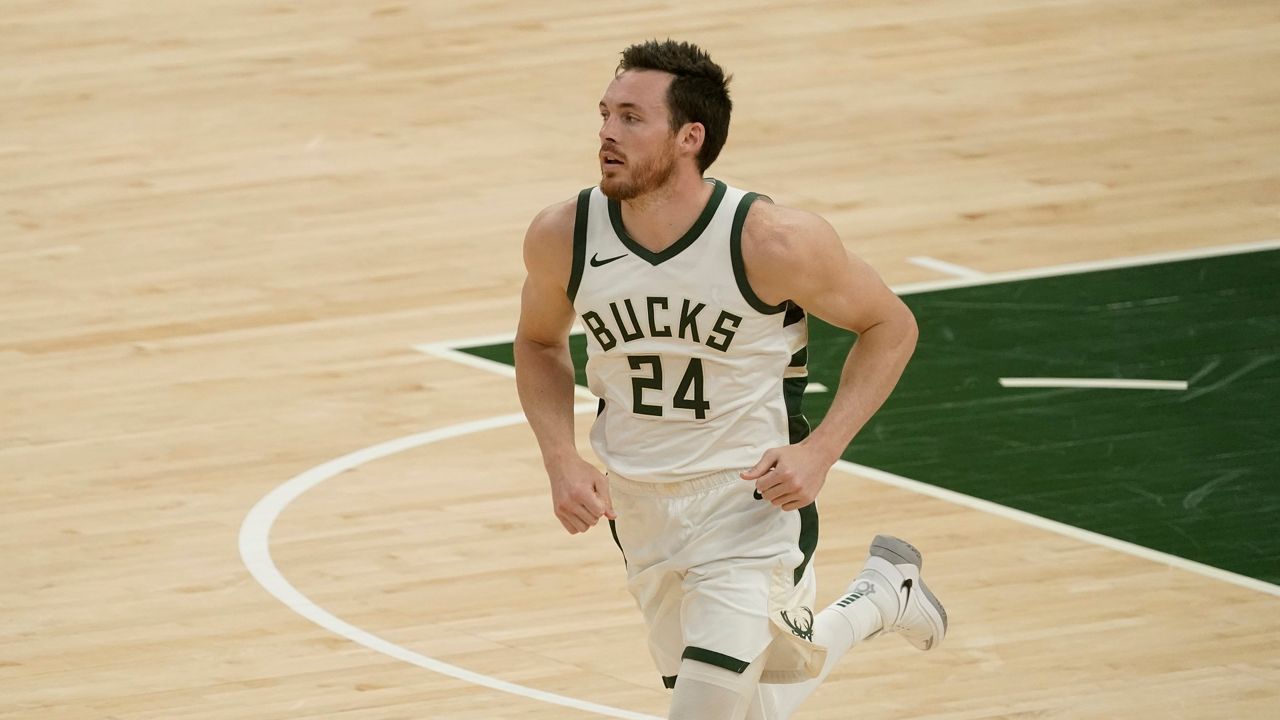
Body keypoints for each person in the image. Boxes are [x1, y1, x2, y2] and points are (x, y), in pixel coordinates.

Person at [514, 39, 947, 720]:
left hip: (749, 507)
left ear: (691, 137)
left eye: (631, 117)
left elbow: (891, 326)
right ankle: (880, 597)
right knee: (751, 711)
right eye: (604, 114)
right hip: (639, 509)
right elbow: (539, 343)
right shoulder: (563, 235)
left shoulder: (771, 241)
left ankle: (879, 596)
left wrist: (820, 451)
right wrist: (560, 459)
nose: (605, 133)